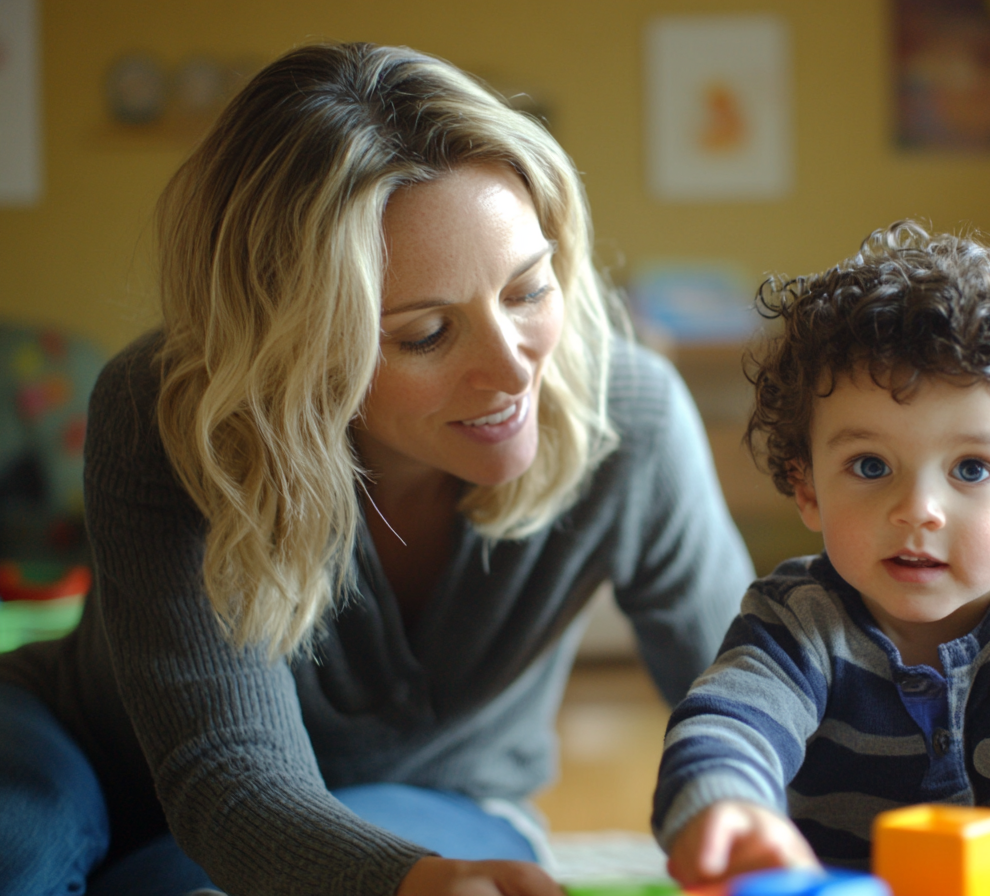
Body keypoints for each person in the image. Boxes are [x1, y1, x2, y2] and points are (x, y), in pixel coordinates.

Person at [0, 42, 755, 896]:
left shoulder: (634, 418)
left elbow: (742, 683)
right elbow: (232, 777)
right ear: (292, 346)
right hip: (84, 746)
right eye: (425, 334)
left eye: (527, 290)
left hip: (437, 796)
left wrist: (727, 802)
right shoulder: (167, 415)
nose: (512, 370)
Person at [651, 222, 990, 896]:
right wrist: (726, 807)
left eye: (971, 469)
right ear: (807, 488)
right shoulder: (796, 620)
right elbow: (725, 725)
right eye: (870, 465)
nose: (918, 509)